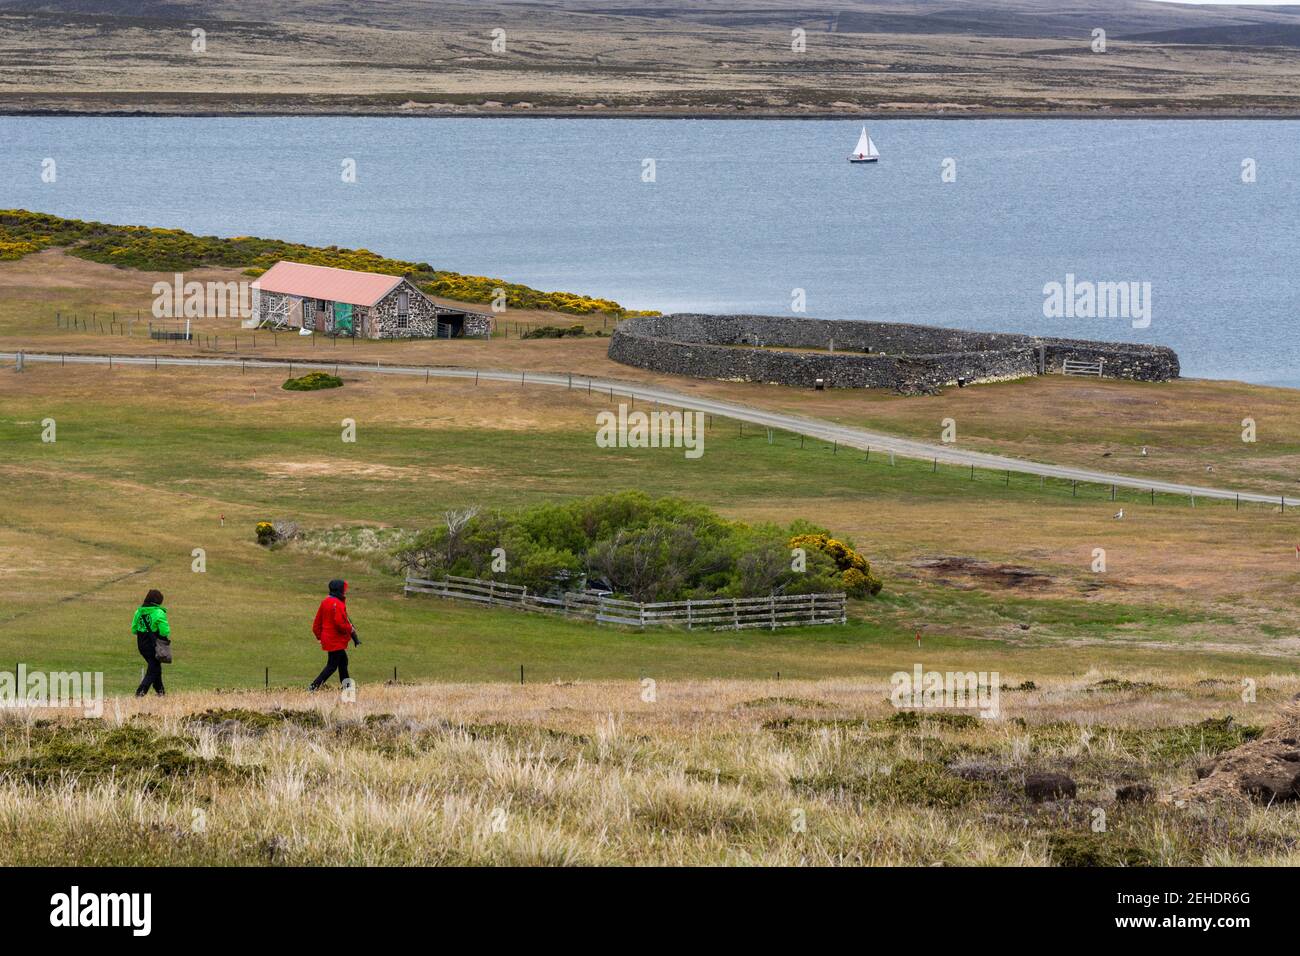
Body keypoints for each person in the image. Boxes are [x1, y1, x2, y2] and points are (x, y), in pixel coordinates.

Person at [310, 579, 359, 691]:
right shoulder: (338, 604)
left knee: (343, 661)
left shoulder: (325, 602)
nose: (345, 591)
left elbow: (316, 624)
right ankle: (313, 687)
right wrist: (350, 630)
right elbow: (341, 623)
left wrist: (320, 637)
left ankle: (347, 688)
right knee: (332, 666)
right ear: (339, 590)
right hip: (335, 640)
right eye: (344, 589)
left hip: (329, 639)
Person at [131, 589, 171, 697]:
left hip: (141, 644)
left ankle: (161, 692)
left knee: (155, 667)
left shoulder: (138, 612)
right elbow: (165, 631)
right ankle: (140, 693)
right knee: (153, 669)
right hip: (153, 644)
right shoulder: (159, 612)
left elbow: (134, 630)